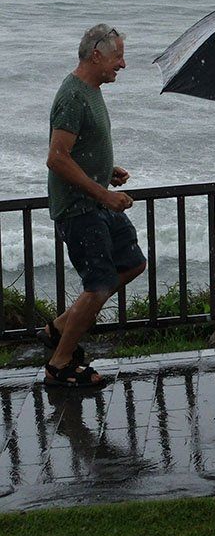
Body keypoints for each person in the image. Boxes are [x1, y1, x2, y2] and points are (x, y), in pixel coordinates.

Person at [43, 24, 146, 388]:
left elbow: (78, 150)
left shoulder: (91, 91)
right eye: (118, 56)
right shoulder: (73, 96)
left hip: (96, 203)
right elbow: (57, 158)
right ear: (97, 55)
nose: (123, 64)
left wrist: (106, 170)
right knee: (99, 284)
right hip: (80, 209)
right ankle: (60, 363)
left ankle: (59, 328)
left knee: (132, 263)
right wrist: (103, 194)